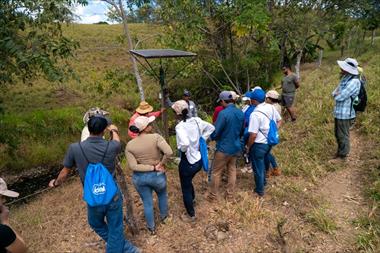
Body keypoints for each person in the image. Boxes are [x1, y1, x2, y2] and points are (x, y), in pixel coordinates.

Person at [48, 115, 140, 253]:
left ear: (88, 128)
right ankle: (128, 249)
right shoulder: (112, 146)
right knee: (115, 227)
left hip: (93, 196)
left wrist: (55, 183)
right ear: (103, 130)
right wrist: (114, 130)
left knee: (95, 223)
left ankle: (126, 248)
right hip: (112, 195)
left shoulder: (75, 148)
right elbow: (116, 140)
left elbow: (65, 172)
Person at [126, 116, 173, 235]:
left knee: (147, 202)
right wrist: (159, 164)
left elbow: (133, 166)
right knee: (162, 195)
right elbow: (169, 152)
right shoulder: (156, 137)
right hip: (157, 174)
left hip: (140, 177)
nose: (151, 125)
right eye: (149, 124)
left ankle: (151, 228)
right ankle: (164, 218)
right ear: (145, 128)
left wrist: (149, 167)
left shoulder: (130, 145)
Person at [172, 100, 215, 221]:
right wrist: (202, 138)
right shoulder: (197, 121)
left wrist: (183, 148)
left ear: (177, 113)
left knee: (185, 186)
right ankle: (193, 199)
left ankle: (191, 215)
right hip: (199, 159)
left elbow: (184, 143)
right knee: (188, 181)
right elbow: (211, 127)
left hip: (188, 161)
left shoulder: (180, 126)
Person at [208, 91, 244, 201]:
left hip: (223, 148)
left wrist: (209, 138)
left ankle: (213, 196)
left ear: (223, 101)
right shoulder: (240, 113)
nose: (221, 104)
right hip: (235, 146)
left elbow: (216, 131)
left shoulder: (223, 114)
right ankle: (230, 196)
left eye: (221, 102)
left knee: (216, 172)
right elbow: (242, 130)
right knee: (232, 170)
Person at [247, 97, 282, 197]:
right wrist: (274, 131)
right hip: (269, 142)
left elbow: (253, 135)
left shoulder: (255, 114)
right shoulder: (270, 107)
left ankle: (259, 190)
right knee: (262, 162)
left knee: (258, 167)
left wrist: (248, 146)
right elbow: (279, 120)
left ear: (254, 100)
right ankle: (264, 182)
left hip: (259, 144)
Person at [330, 58, 361, 163]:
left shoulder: (354, 81)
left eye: (343, 67)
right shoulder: (345, 78)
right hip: (339, 112)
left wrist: (337, 94)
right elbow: (334, 93)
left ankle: (343, 156)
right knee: (338, 133)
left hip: (346, 113)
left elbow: (339, 96)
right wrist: (337, 93)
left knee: (343, 134)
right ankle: (340, 152)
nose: (341, 68)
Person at [241, 89, 266, 174]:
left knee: (247, 148)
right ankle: (249, 164)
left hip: (250, 132)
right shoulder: (263, 108)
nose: (247, 101)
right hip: (256, 133)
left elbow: (245, 121)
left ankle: (248, 165)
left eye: (248, 100)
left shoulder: (253, 110)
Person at [0, 178, 27, 253]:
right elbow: (22, 250)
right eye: (2, 197)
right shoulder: (2, 231)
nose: (4, 200)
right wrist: (5, 222)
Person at [264, 90, 282, 177]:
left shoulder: (272, 107)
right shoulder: (277, 106)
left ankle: (271, 169)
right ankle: (274, 168)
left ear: (269, 98)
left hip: (269, 132)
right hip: (273, 131)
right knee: (267, 152)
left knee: (266, 152)